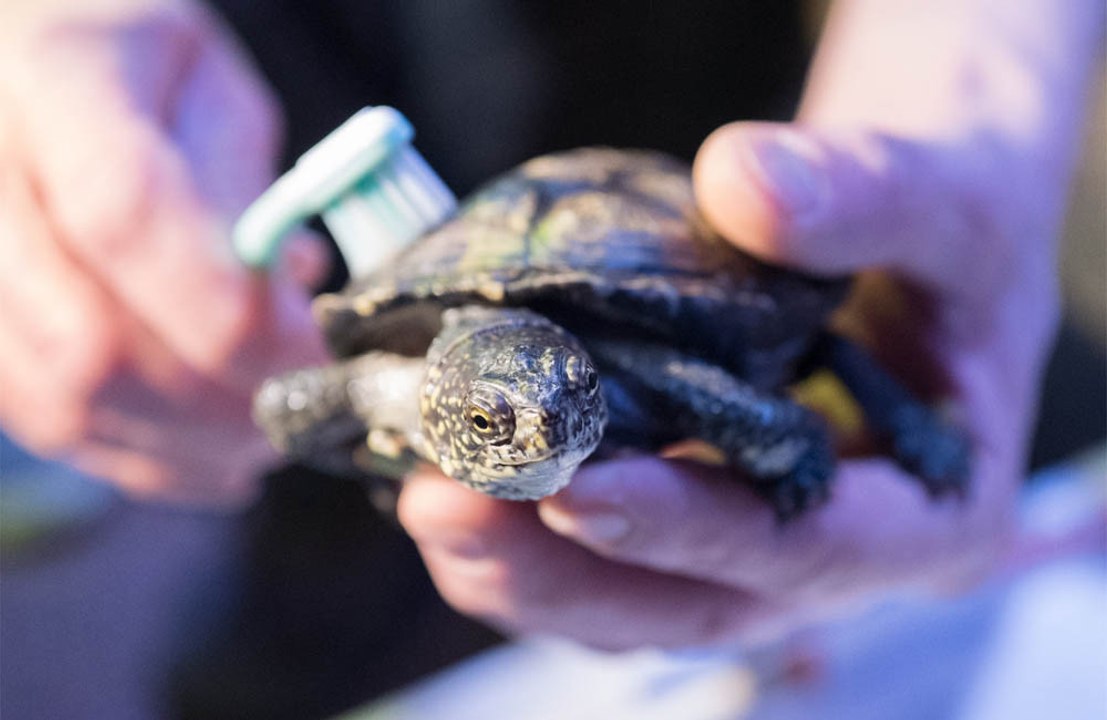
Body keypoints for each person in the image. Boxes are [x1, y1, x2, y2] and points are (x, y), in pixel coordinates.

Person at [0, 0, 1101, 649]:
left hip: (696, 130)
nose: (528, 432)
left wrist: (969, 89)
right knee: (343, 570)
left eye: (547, 405)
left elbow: (750, 390)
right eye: (494, 421)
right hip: (306, 63)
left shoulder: (622, 372)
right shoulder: (402, 387)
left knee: (843, 380)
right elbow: (309, 399)